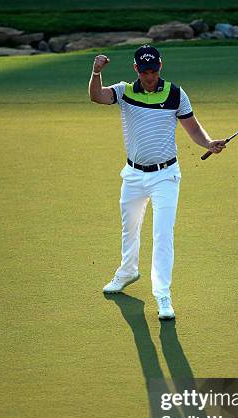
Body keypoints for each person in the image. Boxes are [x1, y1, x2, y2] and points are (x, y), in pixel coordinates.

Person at [89, 45, 226, 320]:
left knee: (163, 235)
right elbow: (97, 97)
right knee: (130, 228)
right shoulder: (125, 91)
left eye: (153, 71)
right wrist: (95, 73)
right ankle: (127, 271)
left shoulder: (175, 93)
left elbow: (193, 128)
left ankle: (163, 294)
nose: (149, 76)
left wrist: (208, 143)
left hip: (165, 175)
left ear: (160, 67)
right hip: (133, 174)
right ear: (136, 69)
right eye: (144, 71)